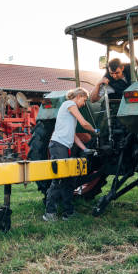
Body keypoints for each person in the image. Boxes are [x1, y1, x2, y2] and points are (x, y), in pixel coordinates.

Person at [43, 87, 97, 222]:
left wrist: (84, 149)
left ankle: (69, 213)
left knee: (68, 181)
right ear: (78, 96)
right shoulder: (69, 104)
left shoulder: (68, 113)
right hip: (58, 146)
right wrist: (95, 131)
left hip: (63, 146)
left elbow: (73, 136)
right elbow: (84, 124)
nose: (84, 104)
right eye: (84, 100)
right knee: (59, 180)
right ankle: (49, 213)